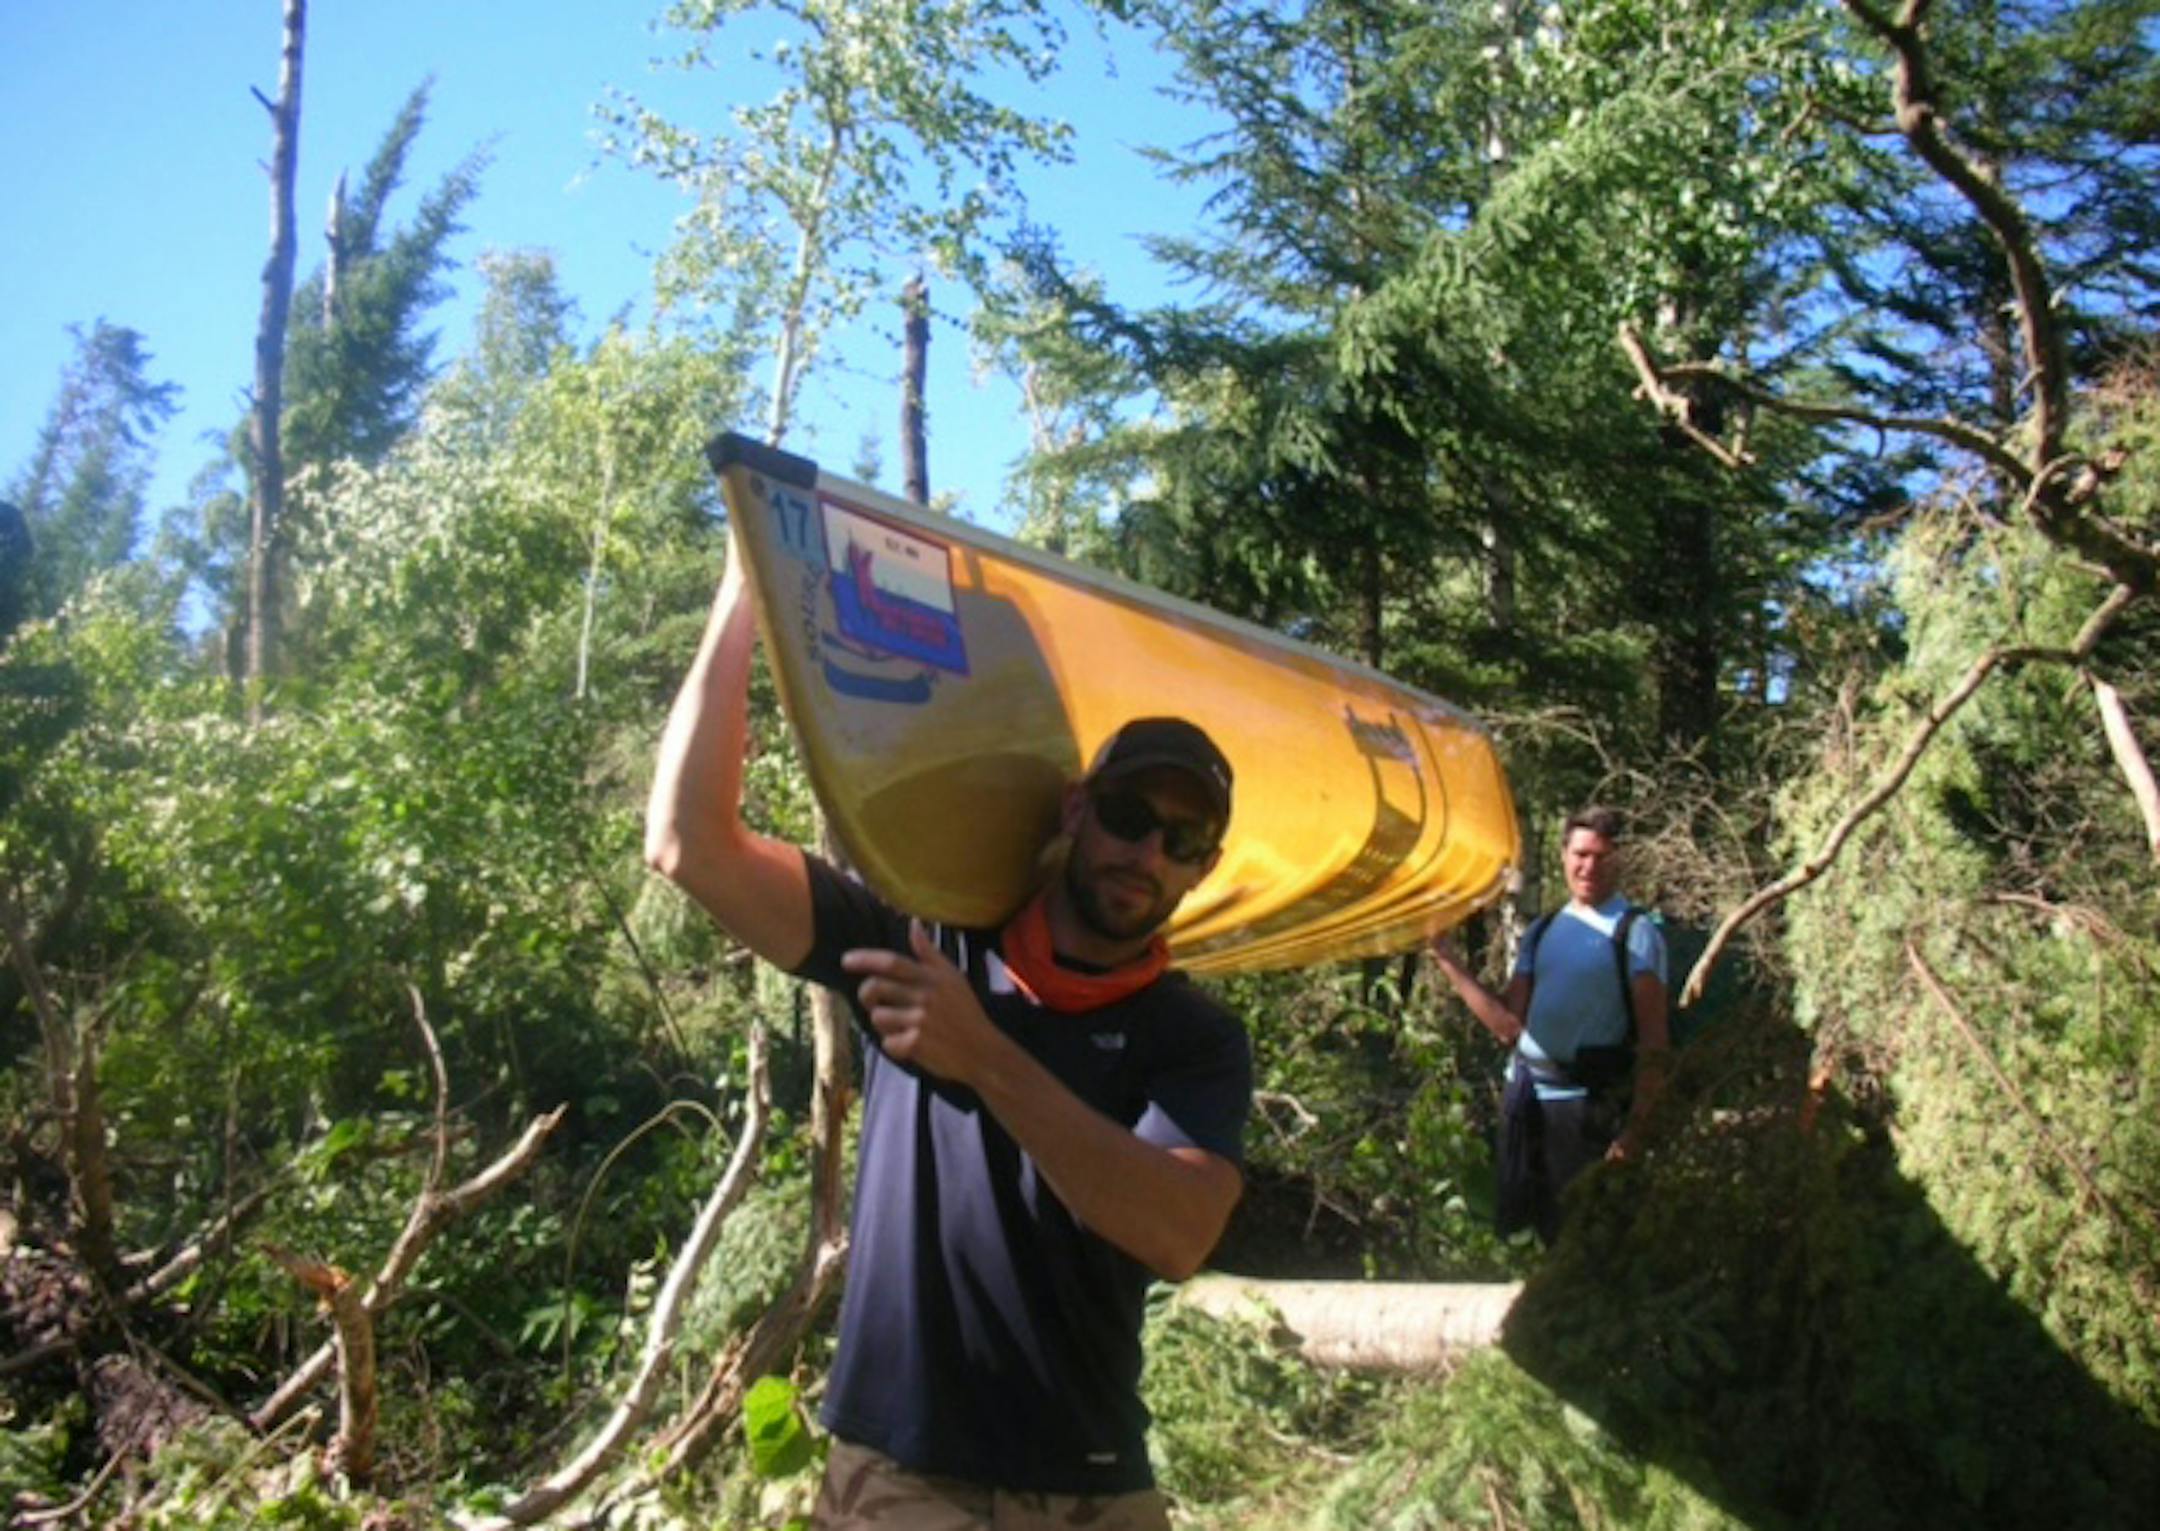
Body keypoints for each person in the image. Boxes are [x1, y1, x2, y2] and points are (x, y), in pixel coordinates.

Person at [643, 536, 1251, 1531]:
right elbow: (688, 842)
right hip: (904, 1474)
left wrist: (985, 1056)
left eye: (1181, 839)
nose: (1146, 849)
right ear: (1077, 807)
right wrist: (742, 590)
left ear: (1201, 867)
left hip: (1095, 1481)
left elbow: (1178, 1230)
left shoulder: (1191, 1038)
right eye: (1130, 812)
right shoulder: (925, 937)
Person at [1426, 806, 1670, 1244]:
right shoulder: (1544, 930)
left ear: (1619, 860)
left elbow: (1655, 1041)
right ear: (1563, 856)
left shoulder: (1636, 933)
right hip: (1529, 1105)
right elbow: (1508, 1026)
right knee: (1542, 1233)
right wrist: (1446, 958)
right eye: (1580, 854)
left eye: (1601, 856)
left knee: (1589, 1238)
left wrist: (1637, 1131)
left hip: (1591, 1113)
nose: (1588, 866)